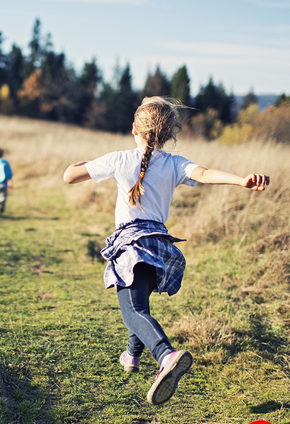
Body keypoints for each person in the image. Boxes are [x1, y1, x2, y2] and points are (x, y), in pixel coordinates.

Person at [63, 97, 269, 405]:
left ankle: (166, 355)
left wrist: (81, 164)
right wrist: (242, 181)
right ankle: (132, 356)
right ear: (169, 134)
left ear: (135, 128)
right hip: (158, 244)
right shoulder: (174, 163)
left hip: (131, 243)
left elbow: (69, 176)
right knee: (140, 302)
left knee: (133, 311)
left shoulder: (119, 159)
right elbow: (205, 173)